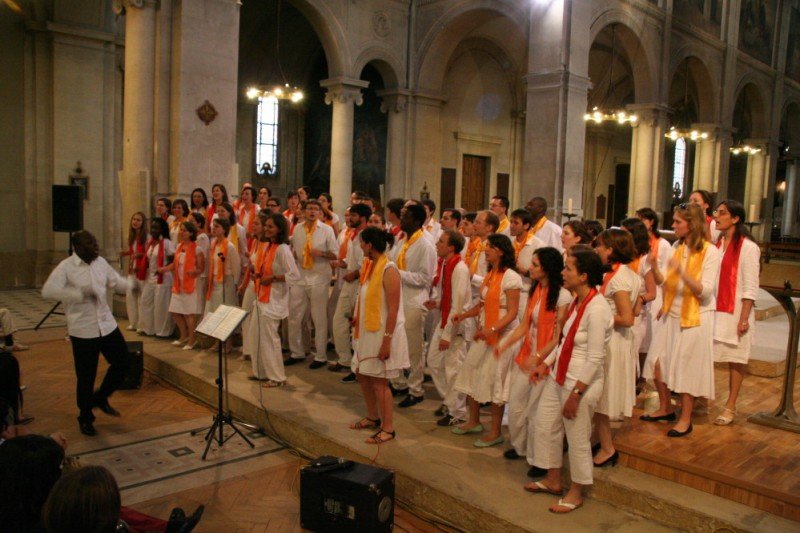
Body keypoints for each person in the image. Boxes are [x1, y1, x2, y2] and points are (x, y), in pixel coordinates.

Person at [527, 248, 613, 513]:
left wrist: (576, 394)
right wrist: (546, 364)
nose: (562, 273)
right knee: (545, 425)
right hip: (559, 375)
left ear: (584, 275)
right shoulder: (578, 301)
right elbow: (564, 342)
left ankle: (576, 492)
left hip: (580, 382)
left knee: (576, 438)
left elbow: (596, 356)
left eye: (568, 269)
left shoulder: (597, 309)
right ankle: (553, 480)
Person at [42, 231, 132, 436]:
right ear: (77, 248)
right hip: (83, 329)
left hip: (106, 324)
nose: (95, 247)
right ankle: (85, 417)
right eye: (90, 244)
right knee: (86, 376)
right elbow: (48, 290)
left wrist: (133, 285)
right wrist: (78, 294)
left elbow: (115, 281)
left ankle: (101, 397)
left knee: (123, 362)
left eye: (95, 242)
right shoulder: (66, 267)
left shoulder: (100, 262)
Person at [643, 203, 720, 436]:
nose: (673, 225)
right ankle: (665, 407)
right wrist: (655, 267)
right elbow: (665, 282)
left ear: (692, 224)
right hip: (672, 312)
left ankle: (685, 419)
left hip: (696, 317)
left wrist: (683, 271)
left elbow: (704, 291)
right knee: (657, 364)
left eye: (678, 222)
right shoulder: (678, 246)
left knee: (687, 368)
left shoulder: (710, 251)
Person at [495, 247, 570, 471]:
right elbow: (525, 325)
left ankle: (538, 459)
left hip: (545, 362)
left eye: (535, 265)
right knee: (517, 406)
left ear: (547, 268)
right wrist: (505, 343)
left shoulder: (563, 296)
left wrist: (539, 357)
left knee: (537, 413)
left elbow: (559, 337)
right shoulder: (536, 289)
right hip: (526, 355)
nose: (530, 268)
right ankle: (521, 447)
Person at [452, 234, 522, 447]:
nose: (485, 250)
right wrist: (464, 315)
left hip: (503, 336)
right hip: (485, 332)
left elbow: (512, 313)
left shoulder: (511, 278)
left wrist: (491, 329)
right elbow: (482, 304)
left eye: (490, 247)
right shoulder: (491, 274)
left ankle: (495, 431)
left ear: (500, 250)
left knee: (494, 382)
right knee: (472, 374)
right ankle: (473, 421)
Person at [349, 227, 409, 444]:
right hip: (366, 332)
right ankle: (373, 416)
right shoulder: (369, 266)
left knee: (379, 382)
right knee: (363, 374)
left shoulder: (389, 269)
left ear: (370, 245)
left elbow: (393, 309)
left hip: (382, 333)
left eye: (361, 242)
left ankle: (388, 428)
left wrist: (387, 341)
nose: (359, 246)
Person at [592, 229, 639, 467]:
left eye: (600, 246)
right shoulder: (625, 274)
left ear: (610, 249)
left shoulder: (620, 279)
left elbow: (628, 317)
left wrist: (600, 317)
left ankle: (608, 448)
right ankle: (597, 440)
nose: (597, 250)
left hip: (614, 342)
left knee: (603, 396)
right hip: (615, 340)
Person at [712, 200, 759, 425]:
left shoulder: (749, 247)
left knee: (735, 360)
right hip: (716, 309)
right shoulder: (717, 244)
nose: (717, 216)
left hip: (737, 311)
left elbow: (750, 286)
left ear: (735, 218)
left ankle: (730, 405)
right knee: (709, 355)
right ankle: (701, 398)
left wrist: (743, 319)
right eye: (716, 212)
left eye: (722, 213)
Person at [389, 203, 437, 406]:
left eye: (405, 216)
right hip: (399, 298)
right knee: (397, 342)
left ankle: (416, 389)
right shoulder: (403, 240)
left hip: (415, 300)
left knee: (414, 348)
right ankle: (399, 382)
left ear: (417, 220)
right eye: (400, 216)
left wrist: (396, 274)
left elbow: (425, 278)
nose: (401, 220)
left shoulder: (425, 244)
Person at [247, 213, 300, 387]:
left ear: (279, 229)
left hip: (273, 300)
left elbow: (294, 275)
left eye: (271, 226)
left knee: (270, 339)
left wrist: (273, 278)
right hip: (261, 297)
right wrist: (258, 274)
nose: (267, 229)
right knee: (256, 335)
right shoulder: (268, 246)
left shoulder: (283, 249)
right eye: (266, 226)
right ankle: (261, 372)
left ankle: (277, 377)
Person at [425, 229, 471, 426]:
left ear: (451, 247)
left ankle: (457, 412)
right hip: (444, 319)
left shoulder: (459, 268)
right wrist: (436, 302)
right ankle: (449, 400)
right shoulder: (445, 263)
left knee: (453, 369)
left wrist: (447, 334)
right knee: (434, 361)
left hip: (455, 325)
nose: (437, 244)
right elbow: (446, 294)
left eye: (441, 242)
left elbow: (459, 304)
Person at [286, 199, 339, 368]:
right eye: (309, 208)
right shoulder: (298, 229)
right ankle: (297, 352)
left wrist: (321, 253)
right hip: (301, 275)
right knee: (294, 315)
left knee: (318, 317)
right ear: (303, 211)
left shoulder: (327, 230)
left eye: (316, 209)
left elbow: (335, 254)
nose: (312, 212)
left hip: (319, 277)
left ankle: (321, 356)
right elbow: (294, 251)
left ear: (320, 212)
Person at [331, 204, 371, 381]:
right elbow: (353, 260)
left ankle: (357, 367)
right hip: (350, 282)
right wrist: (342, 263)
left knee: (357, 327)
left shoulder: (367, 236)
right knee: (339, 320)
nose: (349, 219)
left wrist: (354, 273)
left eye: (353, 216)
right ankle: (345, 359)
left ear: (362, 218)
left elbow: (369, 262)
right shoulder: (353, 235)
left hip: (359, 284)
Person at [159, 221, 204, 350]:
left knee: (189, 313)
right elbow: (174, 264)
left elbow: (201, 268)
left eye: (184, 230)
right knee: (174, 310)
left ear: (191, 233)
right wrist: (164, 269)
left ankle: (191, 339)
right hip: (179, 283)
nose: (181, 232)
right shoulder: (179, 246)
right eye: (181, 230)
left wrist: (194, 272)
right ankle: (183, 335)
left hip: (191, 284)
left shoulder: (197, 248)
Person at [138, 218, 175, 338]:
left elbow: (173, 261)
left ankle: (162, 332)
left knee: (161, 307)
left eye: (156, 228)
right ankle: (148, 328)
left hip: (164, 278)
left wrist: (163, 269)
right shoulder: (152, 243)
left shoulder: (167, 243)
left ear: (162, 229)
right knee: (145, 302)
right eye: (152, 227)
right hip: (151, 277)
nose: (153, 230)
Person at [120, 212, 148, 332]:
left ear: (143, 223)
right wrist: (125, 253)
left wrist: (138, 255)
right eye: (134, 219)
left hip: (141, 270)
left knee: (141, 298)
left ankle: (142, 324)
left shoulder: (146, 237)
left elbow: (148, 253)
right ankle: (133, 322)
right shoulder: (132, 237)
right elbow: (133, 252)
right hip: (132, 269)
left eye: (138, 220)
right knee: (130, 296)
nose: (135, 222)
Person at [509, 208, 545, 302]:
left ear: (526, 225)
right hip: (509, 290)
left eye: (516, 223)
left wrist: (524, 271)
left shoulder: (538, 245)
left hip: (526, 292)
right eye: (511, 222)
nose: (511, 226)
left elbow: (543, 273)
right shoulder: (510, 244)